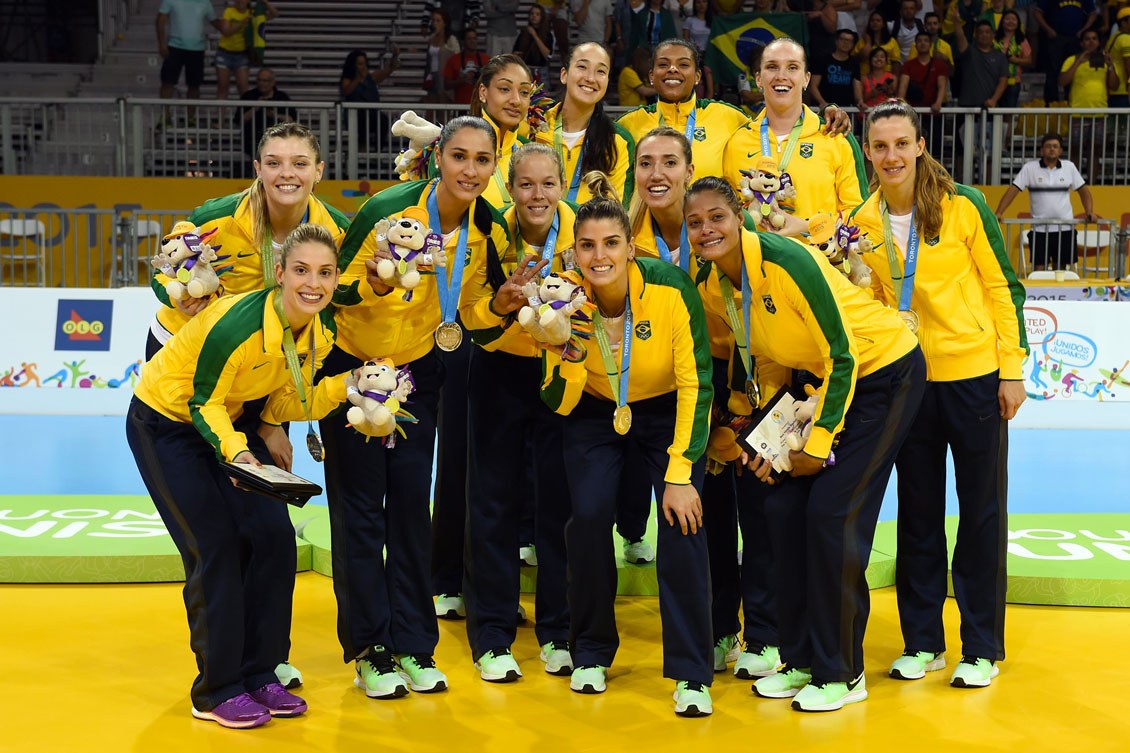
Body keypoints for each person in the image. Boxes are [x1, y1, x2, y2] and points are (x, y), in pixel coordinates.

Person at [684, 175, 926, 713]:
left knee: (832, 516)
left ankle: (842, 671)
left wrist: (816, 444)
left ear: (738, 217)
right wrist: (772, 442)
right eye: (695, 222)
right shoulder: (712, 283)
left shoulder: (786, 259)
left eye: (716, 217)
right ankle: (798, 660)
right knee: (784, 510)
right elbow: (766, 360)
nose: (706, 230)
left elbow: (843, 355)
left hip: (885, 374)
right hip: (821, 389)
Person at [126, 223, 350, 728]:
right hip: (168, 426)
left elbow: (291, 397)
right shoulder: (237, 324)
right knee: (216, 547)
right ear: (279, 273)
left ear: (335, 278)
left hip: (230, 427)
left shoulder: (322, 328)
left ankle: (261, 672)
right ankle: (216, 689)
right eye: (301, 270)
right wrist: (239, 454)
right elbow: (202, 403)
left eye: (324, 272)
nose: (312, 283)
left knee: (273, 540)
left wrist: (347, 386)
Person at [327, 116, 511, 699]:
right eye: (460, 157)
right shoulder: (387, 209)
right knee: (361, 512)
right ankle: (370, 650)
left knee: (410, 507)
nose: (471, 171)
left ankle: (414, 644)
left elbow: (473, 312)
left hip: (419, 374)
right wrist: (376, 287)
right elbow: (335, 287)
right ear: (438, 159)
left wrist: (500, 305)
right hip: (354, 368)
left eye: (483, 160)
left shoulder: (490, 228)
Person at [852, 99, 1029, 690]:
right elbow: (871, 299)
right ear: (868, 153)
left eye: (902, 144)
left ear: (921, 145)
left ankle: (980, 647)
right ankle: (922, 641)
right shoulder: (862, 220)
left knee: (981, 513)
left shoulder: (964, 206)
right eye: (880, 147)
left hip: (975, 376)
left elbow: (1003, 287)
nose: (892, 156)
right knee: (919, 513)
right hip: (908, 382)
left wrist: (1012, 368)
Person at [540, 171, 715, 718]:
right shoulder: (562, 300)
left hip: (666, 411)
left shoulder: (670, 288)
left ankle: (691, 672)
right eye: (587, 246)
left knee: (682, 523)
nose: (599, 257)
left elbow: (697, 381)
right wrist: (568, 355)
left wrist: (681, 471)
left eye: (611, 243)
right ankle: (590, 649)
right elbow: (556, 403)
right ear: (574, 252)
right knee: (588, 517)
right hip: (594, 413)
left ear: (630, 247)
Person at [631, 126, 778, 679]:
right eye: (647, 163)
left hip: (748, 372)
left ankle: (766, 632)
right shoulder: (627, 237)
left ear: (690, 170)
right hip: (680, 389)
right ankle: (721, 629)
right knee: (711, 514)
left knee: (760, 511)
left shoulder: (729, 228)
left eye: (671, 161)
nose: (658, 174)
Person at [457, 143, 578, 681]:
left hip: (563, 376)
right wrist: (499, 307)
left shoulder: (583, 231)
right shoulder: (489, 233)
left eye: (547, 184)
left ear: (562, 183)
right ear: (511, 185)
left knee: (560, 507)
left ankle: (557, 631)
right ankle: (492, 633)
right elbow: (470, 318)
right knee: (493, 504)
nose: (537, 195)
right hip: (499, 372)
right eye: (526, 184)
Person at [147, 123, 349, 362]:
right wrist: (179, 298)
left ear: (319, 171)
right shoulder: (217, 217)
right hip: (183, 342)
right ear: (258, 169)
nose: (287, 173)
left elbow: (338, 297)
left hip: (260, 360)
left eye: (300, 163)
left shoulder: (337, 231)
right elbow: (163, 271)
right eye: (273, 163)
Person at [723, 37, 867, 230]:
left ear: (806, 79)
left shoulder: (833, 137)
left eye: (792, 67)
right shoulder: (737, 142)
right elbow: (726, 211)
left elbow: (857, 216)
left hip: (818, 258)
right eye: (772, 67)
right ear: (758, 79)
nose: (781, 75)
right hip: (754, 258)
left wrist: (808, 227)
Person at [618, 38, 750, 185]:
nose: (673, 69)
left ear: (697, 76)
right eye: (663, 64)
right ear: (652, 76)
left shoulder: (728, 116)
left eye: (683, 64)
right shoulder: (628, 124)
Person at [535, 43, 636, 205]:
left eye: (601, 71)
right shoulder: (535, 128)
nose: (590, 78)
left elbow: (615, 213)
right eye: (582, 67)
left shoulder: (617, 141)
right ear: (564, 75)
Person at [994, 132, 1097, 271]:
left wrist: (1089, 211)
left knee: (1060, 270)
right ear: (1041, 150)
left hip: (1065, 228)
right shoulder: (1030, 168)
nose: (1052, 149)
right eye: (1048, 146)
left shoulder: (1069, 167)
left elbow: (1084, 191)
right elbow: (1013, 190)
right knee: (1038, 269)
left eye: (1055, 146)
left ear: (1060, 150)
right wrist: (999, 212)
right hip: (1040, 230)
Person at [469, 55, 537, 208]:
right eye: (505, 89)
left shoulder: (532, 154)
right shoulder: (456, 150)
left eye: (524, 92)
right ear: (483, 92)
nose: (516, 100)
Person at [1058, 28, 1117, 178]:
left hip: (1100, 112)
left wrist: (1110, 66)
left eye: (1094, 38)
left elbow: (1114, 85)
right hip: (1077, 112)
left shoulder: (1105, 61)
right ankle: (1074, 184)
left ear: (1098, 42)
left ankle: (1091, 185)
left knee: (1095, 151)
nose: (1091, 42)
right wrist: (1078, 61)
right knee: (1075, 151)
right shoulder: (1072, 59)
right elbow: (1063, 81)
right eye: (1087, 39)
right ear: (1082, 43)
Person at [157, 0, 224, 106]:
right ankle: (165, 117)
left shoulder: (205, 2)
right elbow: (161, 19)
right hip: (174, 47)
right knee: (167, 82)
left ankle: (191, 119)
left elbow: (215, 21)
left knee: (194, 85)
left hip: (197, 49)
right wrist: (162, 44)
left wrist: (234, 24)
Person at [1033, 0, 1099, 102]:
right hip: (1056, 38)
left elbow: (1093, 13)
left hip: (1076, 39)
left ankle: (1070, 102)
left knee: (1073, 70)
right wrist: (1048, 30)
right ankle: (1051, 105)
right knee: (1053, 73)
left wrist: (1084, 30)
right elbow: (1037, 12)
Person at [898, 31, 950, 154]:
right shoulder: (908, 65)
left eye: (926, 41)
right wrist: (901, 105)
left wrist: (938, 103)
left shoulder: (939, 65)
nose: (922, 43)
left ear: (930, 44)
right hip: (913, 114)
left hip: (933, 113)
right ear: (915, 45)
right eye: (919, 41)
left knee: (934, 148)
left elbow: (942, 85)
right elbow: (903, 86)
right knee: (912, 147)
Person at [339, 48, 400, 151]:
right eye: (359, 64)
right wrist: (358, 79)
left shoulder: (371, 77)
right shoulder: (347, 79)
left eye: (364, 64)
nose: (362, 67)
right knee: (362, 117)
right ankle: (362, 147)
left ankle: (378, 150)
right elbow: (346, 91)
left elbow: (389, 69)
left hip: (372, 114)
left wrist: (394, 56)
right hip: (355, 115)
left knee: (383, 119)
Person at [239, 68, 295, 166]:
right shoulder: (249, 96)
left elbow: (291, 120)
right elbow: (240, 119)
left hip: (278, 140)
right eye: (259, 80)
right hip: (252, 140)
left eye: (265, 80)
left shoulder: (281, 97)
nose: (262, 83)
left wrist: (275, 115)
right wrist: (256, 107)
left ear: (273, 82)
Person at [811, 29, 864, 109]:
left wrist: (860, 101)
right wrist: (822, 102)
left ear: (853, 44)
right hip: (824, 109)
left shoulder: (854, 63)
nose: (846, 43)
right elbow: (813, 86)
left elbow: (857, 86)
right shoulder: (823, 60)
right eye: (843, 39)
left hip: (846, 110)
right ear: (836, 41)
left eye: (849, 41)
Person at [216, 0, 253, 100]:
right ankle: (221, 115)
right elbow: (226, 31)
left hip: (242, 53)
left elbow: (273, 14)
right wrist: (242, 23)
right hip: (225, 52)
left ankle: (245, 115)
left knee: (243, 88)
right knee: (222, 87)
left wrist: (266, 3)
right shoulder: (228, 11)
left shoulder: (251, 13)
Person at [445, 28, 493, 104]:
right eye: (469, 38)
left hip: (481, 106)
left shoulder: (486, 60)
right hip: (460, 106)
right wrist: (462, 80)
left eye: (474, 38)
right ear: (463, 41)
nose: (472, 41)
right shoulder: (454, 60)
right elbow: (446, 84)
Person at [994, 10, 1032, 107]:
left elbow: (1029, 60)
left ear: (1018, 23)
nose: (1010, 22)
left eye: (1013, 19)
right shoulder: (993, 38)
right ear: (1002, 21)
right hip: (994, 80)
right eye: (1007, 19)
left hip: (1013, 81)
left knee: (1009, 111)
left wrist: (1016, 60)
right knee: (993, 111)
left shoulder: (1022, 40)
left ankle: (1008, 123)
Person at [423, 8, 461, 104]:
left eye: (438, 20)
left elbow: (458, 58)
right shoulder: (431, 39)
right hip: (432, 75)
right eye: (433, 20)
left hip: (444, 76)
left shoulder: (451, 39)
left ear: (444, 23)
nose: (435, 23)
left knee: (443, 103)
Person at [514, 4, 555, 86]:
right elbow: (515, 52)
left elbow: (547, 55)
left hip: (541, 71)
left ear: (542, 17)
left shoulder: (548, 34)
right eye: (532, 14)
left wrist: (535, 36)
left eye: (537, 14)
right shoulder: (524, 33)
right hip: (526, 70)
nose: (534, 16)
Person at [855, 10, 903, 75]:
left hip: (887, 79)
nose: (875, 22)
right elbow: (856, 60)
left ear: (883, 24)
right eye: (872, 20)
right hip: (865, 77)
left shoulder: (891, 41)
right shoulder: (863, 41)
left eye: (878, 20)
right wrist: (868, 44)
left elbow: (896, 62)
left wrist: (895, 79)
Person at [1106, 7, 1130, 108]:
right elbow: (1129, 67)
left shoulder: (1113, 38)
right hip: (1124, 90)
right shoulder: (1126, 39)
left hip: (1114, 90)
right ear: (1123, 23)